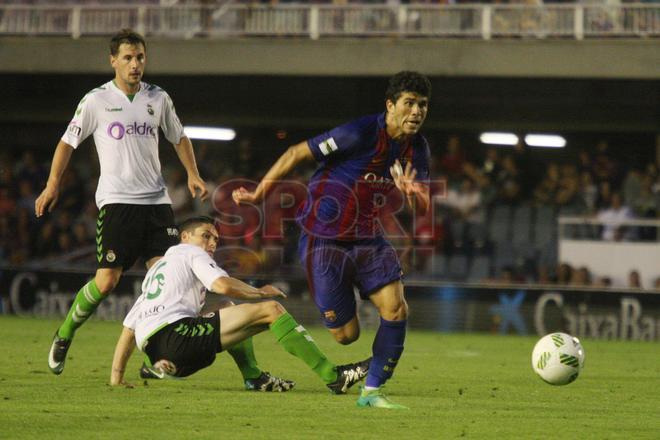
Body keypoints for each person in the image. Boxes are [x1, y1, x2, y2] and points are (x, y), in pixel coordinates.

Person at [232, 71, 432, 409]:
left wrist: (413, 194)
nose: (417, 112)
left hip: (368, 238)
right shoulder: (358, 133)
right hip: (322, 240)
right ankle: (365, 363)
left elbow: (424, 203)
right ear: (390, 105)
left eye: (423, 105)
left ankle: (371, 391)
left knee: (396, 308)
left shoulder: (418, 148)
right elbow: (297, 153)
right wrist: (256, 195)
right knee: (346, 335)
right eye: (409, 103)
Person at [39, 29, 209, 375]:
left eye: (140, 58)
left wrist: (193, 173)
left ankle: (160, 359)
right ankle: (65, 332)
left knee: (170, 282)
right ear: (113, 61)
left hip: (158, 205)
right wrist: (52, 184)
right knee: (107, 282)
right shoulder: (96, 100)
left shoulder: (158, 98)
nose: (135, 65)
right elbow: (66, 143)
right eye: (128, 58)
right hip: (117, 203)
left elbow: (179, 137)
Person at [110, 216, 370, 394]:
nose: (211, 243)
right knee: (272, 310)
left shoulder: (158, 270)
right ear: (185, 236)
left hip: (158, 348)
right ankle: (334, 377)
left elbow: (129, 330)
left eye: (215, 239)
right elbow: (221, 283)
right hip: (178, 338)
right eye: (206, 236)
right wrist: (259, 293)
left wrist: (116, 378)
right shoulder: (191, 252)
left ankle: (246, 376)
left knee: (226, 306)